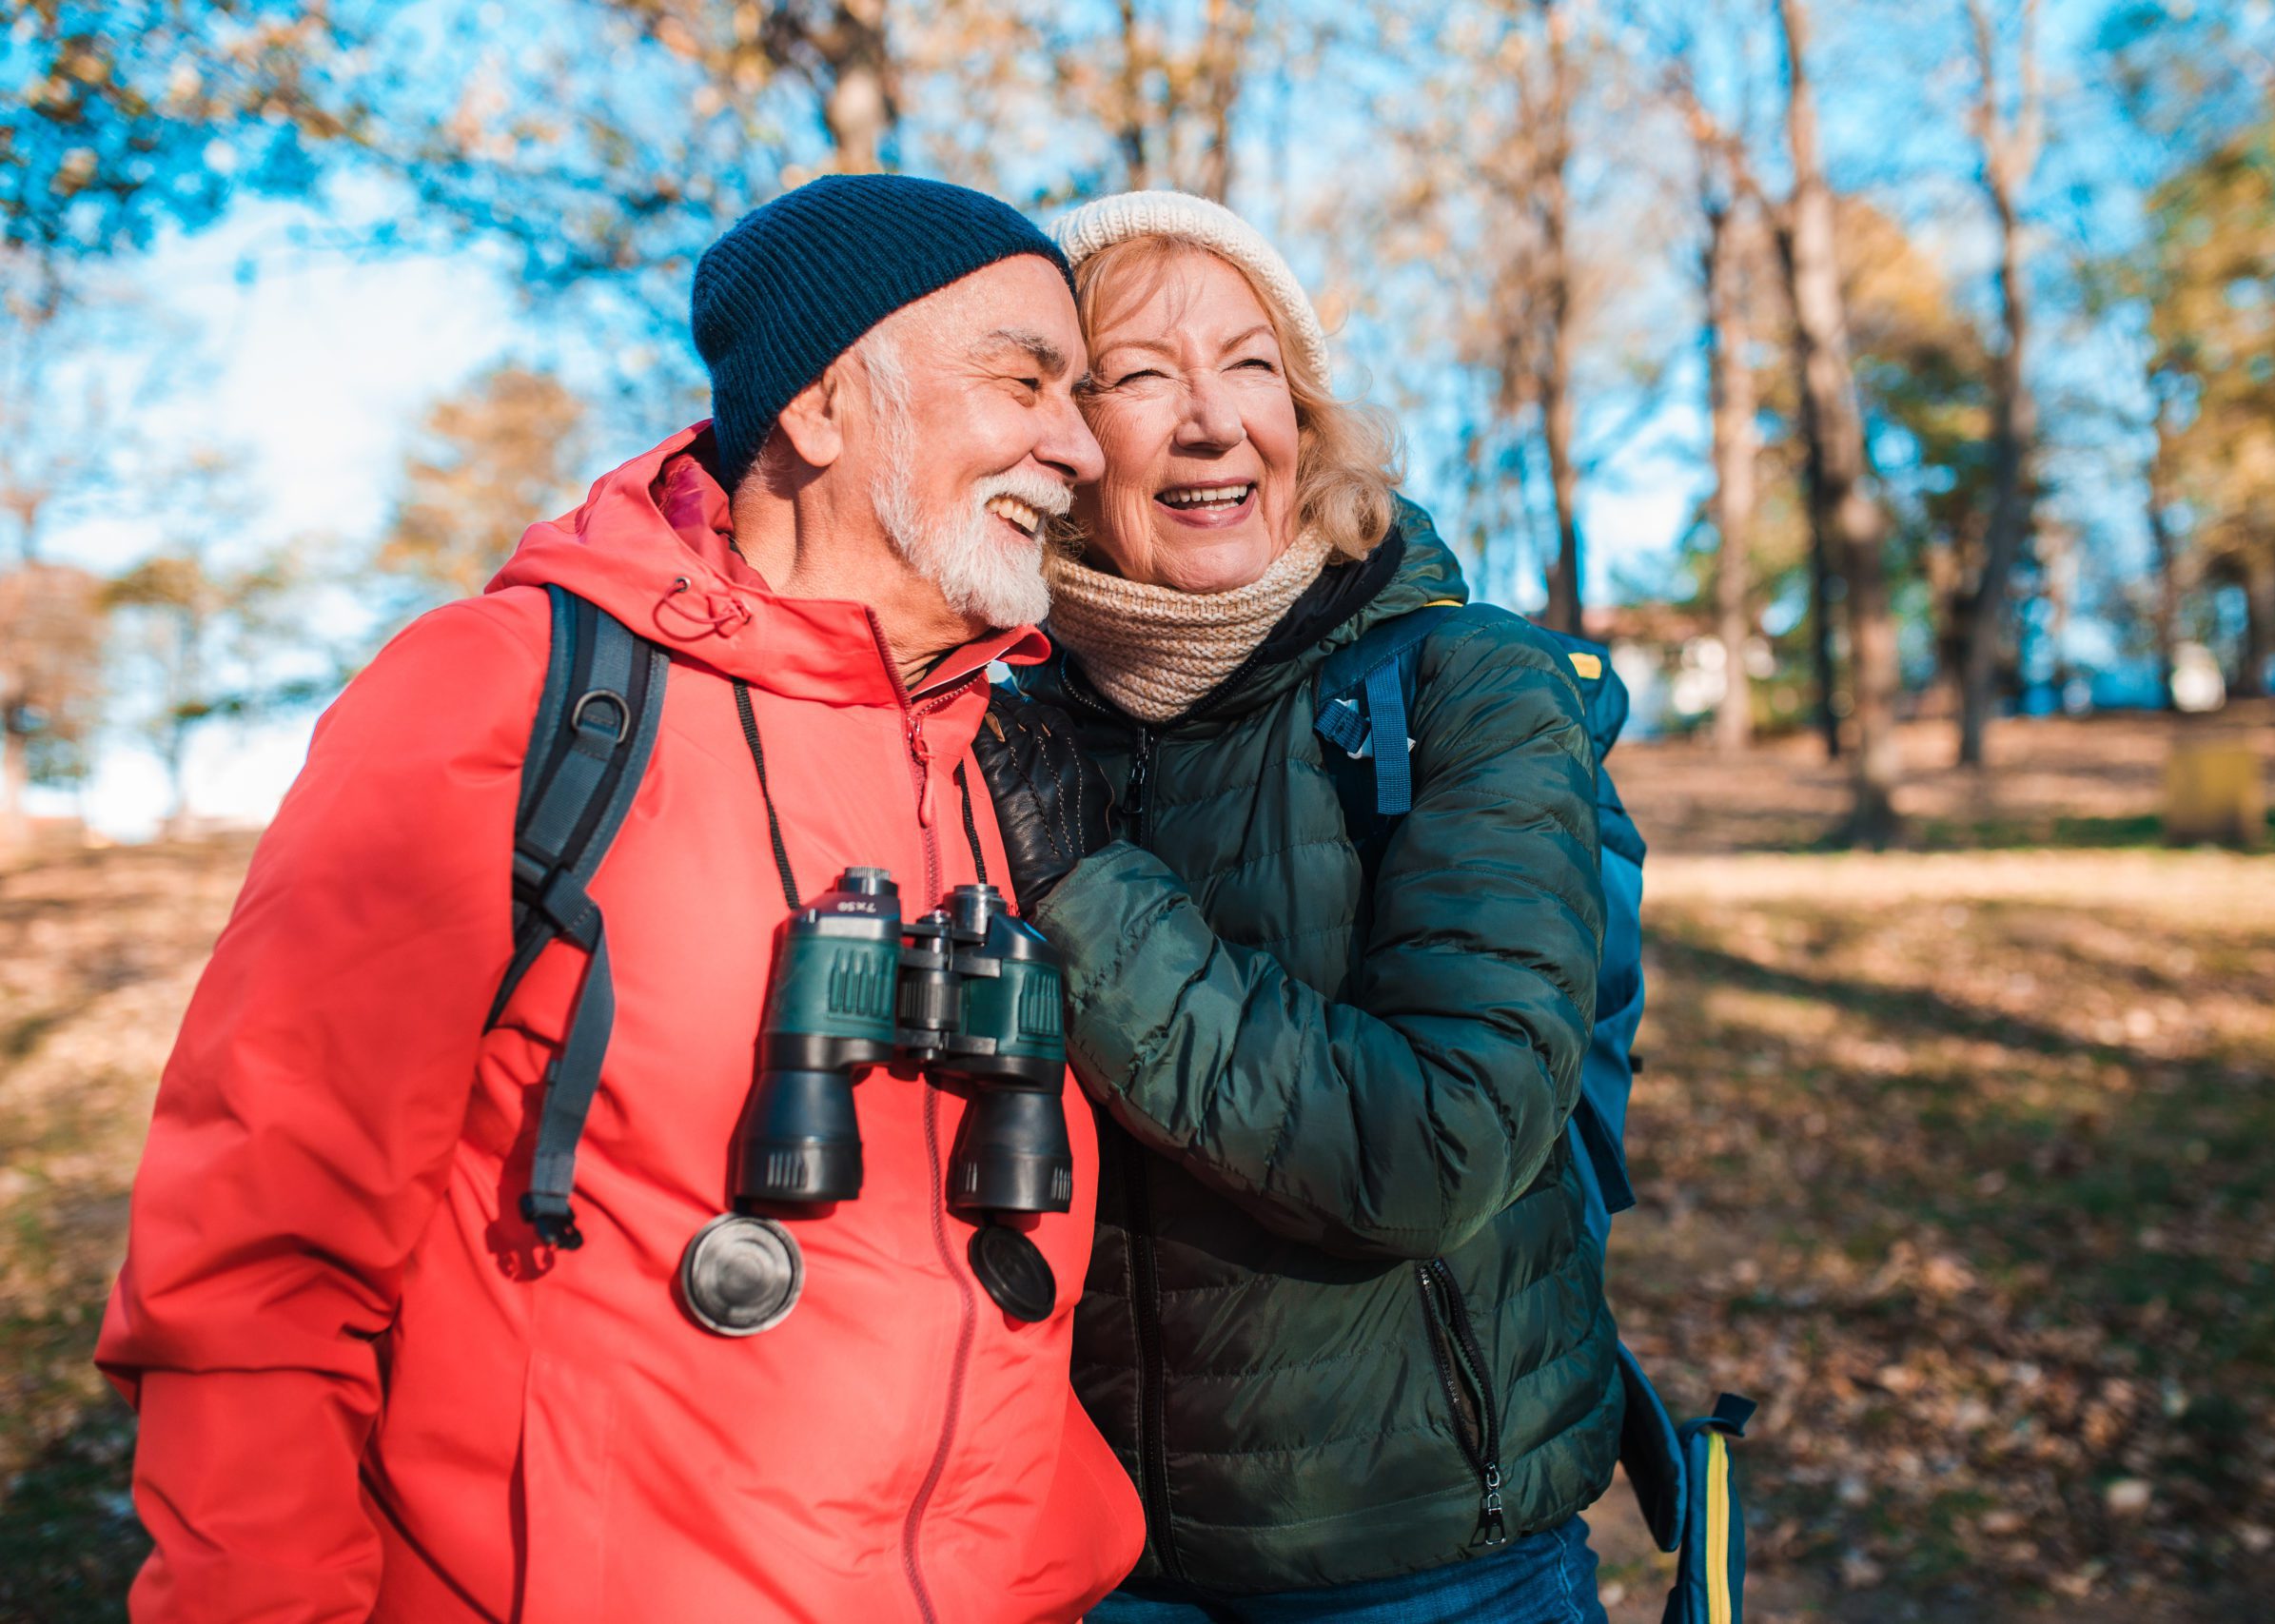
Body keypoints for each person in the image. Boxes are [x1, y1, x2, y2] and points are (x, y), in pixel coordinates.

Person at [95, 175, 1144, 1624]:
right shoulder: (508, 695)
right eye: (1024, 379)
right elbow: (258, 1264)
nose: (1082, 446)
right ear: (825, 407)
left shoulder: (1003, 754)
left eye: (1082, 393)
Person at [971, 190, 1624, 1621]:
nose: (1213, 422)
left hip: (1425, 1568)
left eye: (1251, 363)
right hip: (1090, 1565)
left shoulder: (1465, 687)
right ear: (1061, 443)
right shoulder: (1008, 734)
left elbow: (1440, 1144)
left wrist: (1086, 893)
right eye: (1140, 374)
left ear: (1306, 415)